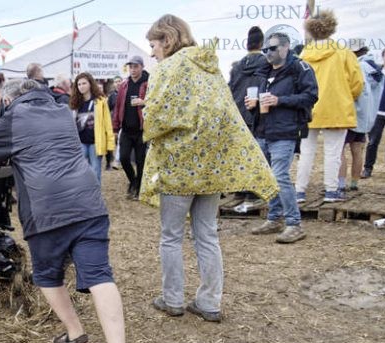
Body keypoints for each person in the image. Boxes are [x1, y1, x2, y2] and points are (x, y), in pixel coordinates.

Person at [0, 77, 139, 343]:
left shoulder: (13, 116)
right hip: (88, 203)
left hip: (46, 211)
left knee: (46, 276)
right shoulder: (61, 110)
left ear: (12, 98)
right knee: (99, 275)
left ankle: (76, 335)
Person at [142, 15, 278, 322]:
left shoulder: (168, 69)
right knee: (207, 235)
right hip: (212, 168)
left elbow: (156, 118)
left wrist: (148, 117)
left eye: (153, 45)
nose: (152, 53)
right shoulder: (210, 67)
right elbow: (226, 113)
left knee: (171, 236)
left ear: (167, 39)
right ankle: (209, 302)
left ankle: (173, 298)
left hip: (178, 168)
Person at [247, 32, 319, 244]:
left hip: (285, 131)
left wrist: (280, 100)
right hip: (263, 130)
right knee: (267, 178)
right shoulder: (263, 72)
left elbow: (311, 96)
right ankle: (274, 218)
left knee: (280, 176)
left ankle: (294, 224)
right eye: (265, 49)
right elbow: (262, 102)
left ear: (286, 47)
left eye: (272, 48)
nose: (268, 53)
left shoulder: (300, 68)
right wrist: (254, 106)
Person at [294, 9, 363, 203]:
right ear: (332, 28)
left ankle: (299, 191)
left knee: (306, 151)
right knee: (334, 152)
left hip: (308, 110)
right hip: (337, 108)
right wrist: (346, 96)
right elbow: (357, 83)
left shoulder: (303, 55)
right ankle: (332, 190)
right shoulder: (344, 53)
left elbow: (296, 82)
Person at [228, 26, 267, 211]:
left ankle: (239, 191)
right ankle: (254, 193)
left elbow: (230, 89)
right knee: (256, 156)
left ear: (247, 44)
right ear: (262, 43)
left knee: (239, 155)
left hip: (238, 114)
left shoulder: (237, 67)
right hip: (257, 115)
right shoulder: (266, 63)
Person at [339, 40, 382, 190]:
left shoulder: (357, 66)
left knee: (339, 151)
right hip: (366, 117)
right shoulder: (375, 68)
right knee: (357, 151)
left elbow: (352, 89)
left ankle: (341, 185)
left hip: (351, 114)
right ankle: (354, 184)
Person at [112, 56, 149, 199]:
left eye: (136, 67)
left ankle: (138, 188)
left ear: (142, 67)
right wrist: (115, 128)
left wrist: (144, 101)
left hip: (141, 130)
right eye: (131, 67)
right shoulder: (124, 85)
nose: (133, 70)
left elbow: (156, 102)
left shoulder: (148, 83)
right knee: (124, 158)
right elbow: (118, 107)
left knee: (140, 162)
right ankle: (133, 181)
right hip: (126, 130)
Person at [69, 72, 114, 182]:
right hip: (80, 142)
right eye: (79, 84)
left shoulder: (100, 101)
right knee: (82, 172)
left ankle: (96, 198)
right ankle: (85, 197)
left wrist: (110, 144)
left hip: (95, 142)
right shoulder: (75, 102)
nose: (81, 86)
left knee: (95, 171)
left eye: (84, 83)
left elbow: (108, 123)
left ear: (90, 84)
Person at [361, 46, 385, 179]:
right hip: (377, 112)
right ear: (383, 57)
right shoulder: (376, 73)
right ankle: (367, 168)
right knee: (373, 141)